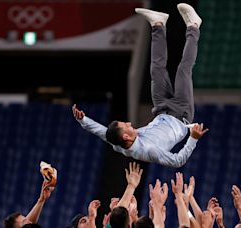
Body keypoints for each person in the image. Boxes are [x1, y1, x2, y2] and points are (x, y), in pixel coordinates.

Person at [72, 3, 208, 168]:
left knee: (156, 70)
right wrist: (193, 138)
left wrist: (83, 120)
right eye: (126, 126)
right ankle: (194, 26)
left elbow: (101, 132)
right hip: (181, 114)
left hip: (161, 109)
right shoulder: (149, 150)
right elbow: (177, 161)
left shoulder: (119, 143)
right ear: (127, 138)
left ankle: (158, 25)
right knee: (183, 70)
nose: (130, 123)